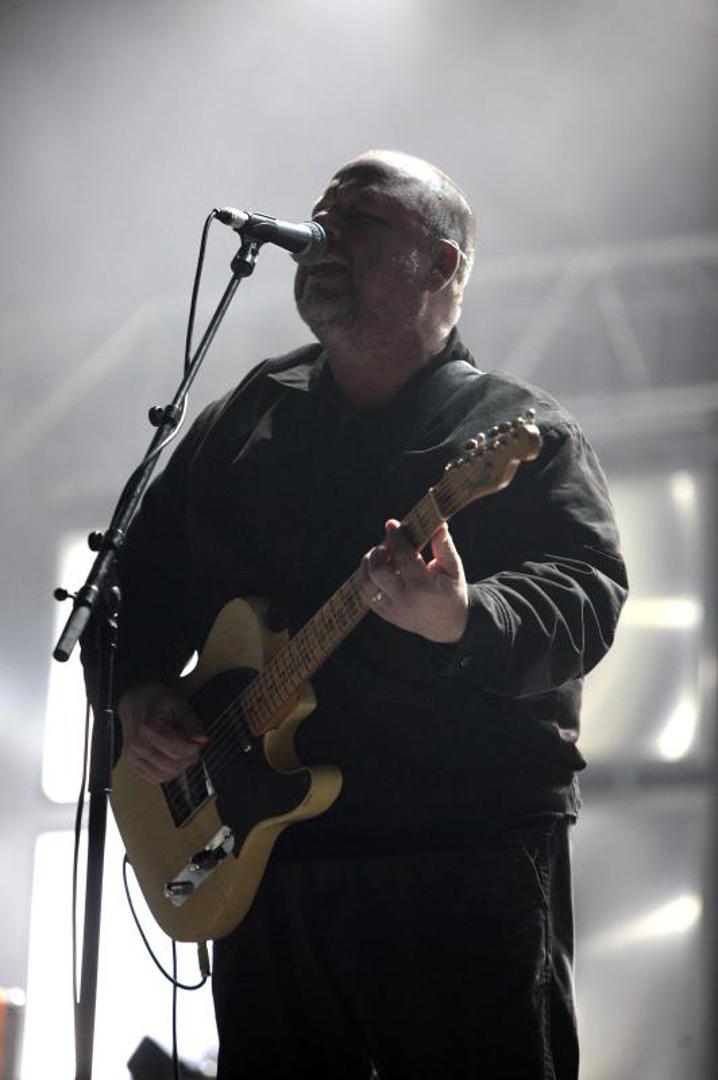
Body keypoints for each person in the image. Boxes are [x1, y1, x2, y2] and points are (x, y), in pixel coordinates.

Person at [93, 150, 628, 1079]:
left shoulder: (518, 431)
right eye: (321, 215)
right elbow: (132, 580)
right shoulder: (247, 416)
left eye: (360, 220)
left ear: (442, 263)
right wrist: (137, 689)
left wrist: (463, 615)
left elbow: (587, 593)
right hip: (265, 860)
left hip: (456, 861)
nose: (322, 235)